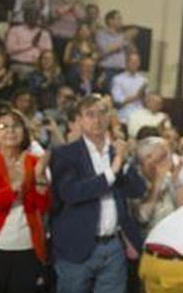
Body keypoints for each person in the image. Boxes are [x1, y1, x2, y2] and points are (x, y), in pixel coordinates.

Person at [50, 94, 147, 292]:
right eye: (90, 114)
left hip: (113, 246)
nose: (97, 119)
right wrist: (112, 171)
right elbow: (70, 193)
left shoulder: (116, 152)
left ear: (109, 116)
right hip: (76, 246)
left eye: (102, 113)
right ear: (79, 120)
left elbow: (138, 190)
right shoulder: (66, 154)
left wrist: (125, 161)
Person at [0, 106, 51, 290]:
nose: (10, 131)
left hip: (27, 247)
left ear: (24, 131)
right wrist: (15, 186)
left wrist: (40, 181)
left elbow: (43, 206)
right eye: (4, 126)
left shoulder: (35, 161)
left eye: (16, 126)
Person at [110, 50, 148, 126]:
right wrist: (137, 96)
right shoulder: (118, 79)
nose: (134, 64)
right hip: (125, 115)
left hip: (141, 114)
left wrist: (143, 97)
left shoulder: (143, 80)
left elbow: (145, 102)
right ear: (127, 63)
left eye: (136, 62)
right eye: (132, 62)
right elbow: (118, 102)